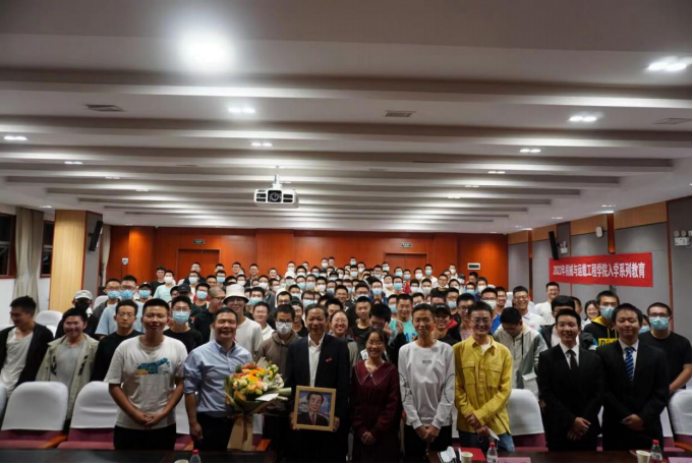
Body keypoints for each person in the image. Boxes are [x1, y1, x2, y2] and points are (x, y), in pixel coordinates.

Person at [105, 299, 188, 451]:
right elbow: (114, 385)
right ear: (142, 319)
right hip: (128, 424)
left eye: (160, 316)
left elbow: (181, 384)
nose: (155, 320)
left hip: (164, 424)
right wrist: (134, 414)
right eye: (150, 315)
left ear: (168, 319)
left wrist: (163, 413)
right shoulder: (125, 347)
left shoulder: (178, 347)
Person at [597, 304, 670, 451]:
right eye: (621, 320)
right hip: (615, 425)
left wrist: (642, 418)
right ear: (614, 325)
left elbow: (661, 392)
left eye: (632, 320)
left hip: (648, 426)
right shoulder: (602, 353)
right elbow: (602, 389)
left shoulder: (657, 354)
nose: (627, 324)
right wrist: (626, 416)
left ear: (640, 324)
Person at [285, 305, 351, 463]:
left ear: (327, 320)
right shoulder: (295, 347)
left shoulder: (339, 346)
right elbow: (289, 383)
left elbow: (343, 383)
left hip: (328, 417)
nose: (315, 323)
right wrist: (292, 411)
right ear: (305, 320)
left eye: (319, 319)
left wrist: (337, 414)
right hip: (301, 416)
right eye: (311, 319)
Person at [184, 308, 252, 451]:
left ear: (236, 326)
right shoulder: (198, 354)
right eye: (222, 322)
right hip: (209, 422)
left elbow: (249, 387)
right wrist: (193, 423)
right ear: (213, 326)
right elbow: (189, 390)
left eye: (231, 322)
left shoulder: (245, 355)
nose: (226, 325)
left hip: (237, 422)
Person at [539, 309, 605, 451]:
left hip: (587, 427)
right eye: (562, 325)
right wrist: (572, 421)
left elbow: (598, 394)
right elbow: (547, 393)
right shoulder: (546, 357)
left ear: (579, 329)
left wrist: (582, 423)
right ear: (556, 328)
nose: (567, 329)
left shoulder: (593, 358)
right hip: (559, 427)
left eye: (571, 325)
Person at [454, 301, 515, 454]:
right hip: (469, 426)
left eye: (485, 320)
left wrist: (480, 415)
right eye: (477, 320)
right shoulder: (457, 351)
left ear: (492, 320)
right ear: (468, 321)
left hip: (498, 424)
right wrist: (473, 417)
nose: (481, 324)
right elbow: (456, 389)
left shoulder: (503, 352)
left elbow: (505, 391)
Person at [399, 304, 455, 463]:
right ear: (412, 322)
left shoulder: (446, 350)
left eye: (426, 320)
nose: (422, 324)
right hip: (413, 424)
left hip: (442, 424)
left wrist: (436, 424)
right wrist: (417, 424)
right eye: (418, 320)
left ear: (434, 322)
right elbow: (405, 390)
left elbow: (449, 389)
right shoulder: (405, 351)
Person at [37, 308, 99, 421]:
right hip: (54, 400)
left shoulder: (94, 347)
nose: (72, 327)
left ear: (84, 324)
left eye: (76, 323)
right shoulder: (53, 347)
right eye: (68, 323)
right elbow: (43, 375)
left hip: (80, 401)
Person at [350, 329, 401, 463]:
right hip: (361, 431)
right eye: (371, 342)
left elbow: (392, 404)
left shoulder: (391, 370)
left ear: (385, 345)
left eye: (378, 342)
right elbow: (353, 401)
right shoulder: (357, 368)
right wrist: (360, 429)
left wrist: (376, 431)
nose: (374, 346)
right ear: (365, 344)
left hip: (384, 433)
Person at [0, 297, 53, 397]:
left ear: (30, 314)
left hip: (25, 388)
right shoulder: (5, 334)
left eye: (17, 315)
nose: (13, 318)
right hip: (2, 386)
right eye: (11, 314)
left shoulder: (44, 335)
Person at [494, 307, 547, 397]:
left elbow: (543, 365)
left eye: (512, 329)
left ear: (520, 323)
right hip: (505, 385)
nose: (508, 332)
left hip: (528, 386)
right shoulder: (498, 334)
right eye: (506, 329)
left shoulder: (534, 337)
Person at [640, 302, 692, 395]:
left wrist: (669, 390)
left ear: (670, 318)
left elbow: (688, 370)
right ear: (648, 318)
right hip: (646, 394)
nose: (658, 318)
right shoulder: (639, 340)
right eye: (654, 315)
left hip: (675, 393)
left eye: (662, 315)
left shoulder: (682, 342)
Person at [92, 300, 142, 382]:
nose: (125, 318)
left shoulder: (141, 340)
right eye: (121, 314)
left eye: (129, 315)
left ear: (135, 319)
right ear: (115, 318)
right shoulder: (105, 342)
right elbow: (98, 372)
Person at [224, 284, 263, 359]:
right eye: (231, 300)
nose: (235, 303)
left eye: (239, 300)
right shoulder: (218, 326)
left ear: (244, 302)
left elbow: (259, 354)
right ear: (226, 303)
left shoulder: (255, 327)